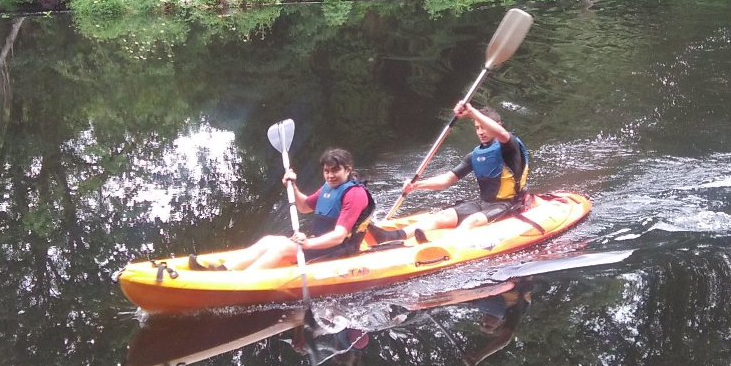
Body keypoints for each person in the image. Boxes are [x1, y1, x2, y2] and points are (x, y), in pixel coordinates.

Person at [367, 102, 528, 244]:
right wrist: (417, 185)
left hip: (507, 204)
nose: (480, 132)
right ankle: (391, 236)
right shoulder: (475, 155)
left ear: (497, 125)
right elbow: (448, 179)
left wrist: (471, 112)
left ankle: (439, 246)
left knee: (471, 221)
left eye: (484, 127)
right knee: (443, 216)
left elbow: (503, 134)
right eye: (477, 128)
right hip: (483, 202)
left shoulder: (509, 146)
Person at [191, 148, 374, 271]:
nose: (330, 175)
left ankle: (241, 281)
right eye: (326, 171)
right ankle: (223, 270)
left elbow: (339, 236)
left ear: (348, 170)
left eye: (335, 171)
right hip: (321, 244)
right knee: (269, 240)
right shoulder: (328, 187)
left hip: (339, 250)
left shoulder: (355, 194)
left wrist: (308, 243)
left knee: (280, 248)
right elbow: (303, 207)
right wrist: (292, 187)